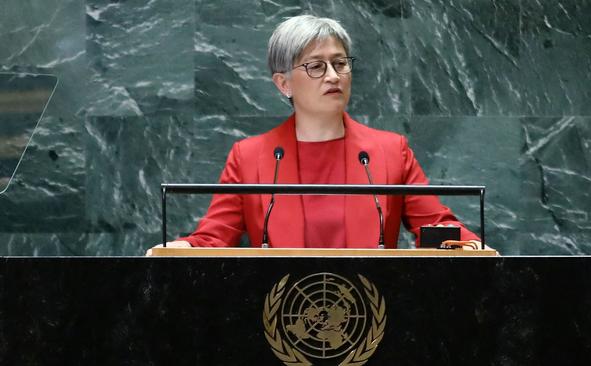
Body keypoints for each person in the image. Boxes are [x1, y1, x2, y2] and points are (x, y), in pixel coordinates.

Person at [152, 14, 481, 252]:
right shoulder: (249, 157)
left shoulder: (390, 151)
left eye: (340, 63)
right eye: (316, 66)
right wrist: (178, 247)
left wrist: (469, 245)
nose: (333, 76)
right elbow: (215, 237)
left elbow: (435, 226)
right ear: (283, 84)